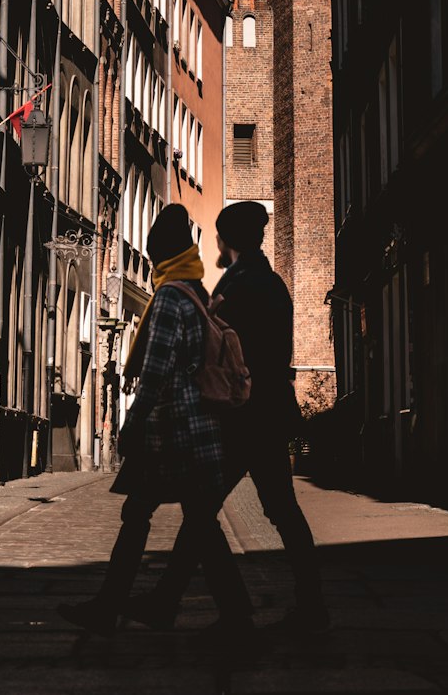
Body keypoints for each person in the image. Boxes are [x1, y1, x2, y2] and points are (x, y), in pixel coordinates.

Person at [125, 200, 330, 633]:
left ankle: (195, 606)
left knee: (205, 511)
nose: (214, 243)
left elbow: (223, 356)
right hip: (269, 413)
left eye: (218, 236)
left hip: (243, 417)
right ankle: (308, 605)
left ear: (226, 240)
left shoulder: (238, 288)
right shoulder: (272, 283)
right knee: (275, 511)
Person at [58, 204, 254, 638]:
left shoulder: (168, 298)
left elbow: (157, 371)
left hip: (174, 433)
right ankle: (131, 607)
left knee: (174, 519)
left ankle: (116, 609)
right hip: (197, 430)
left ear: (159, 255)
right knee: (182, 519)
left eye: (151, 256)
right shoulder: (195, 293)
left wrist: (132, 423)